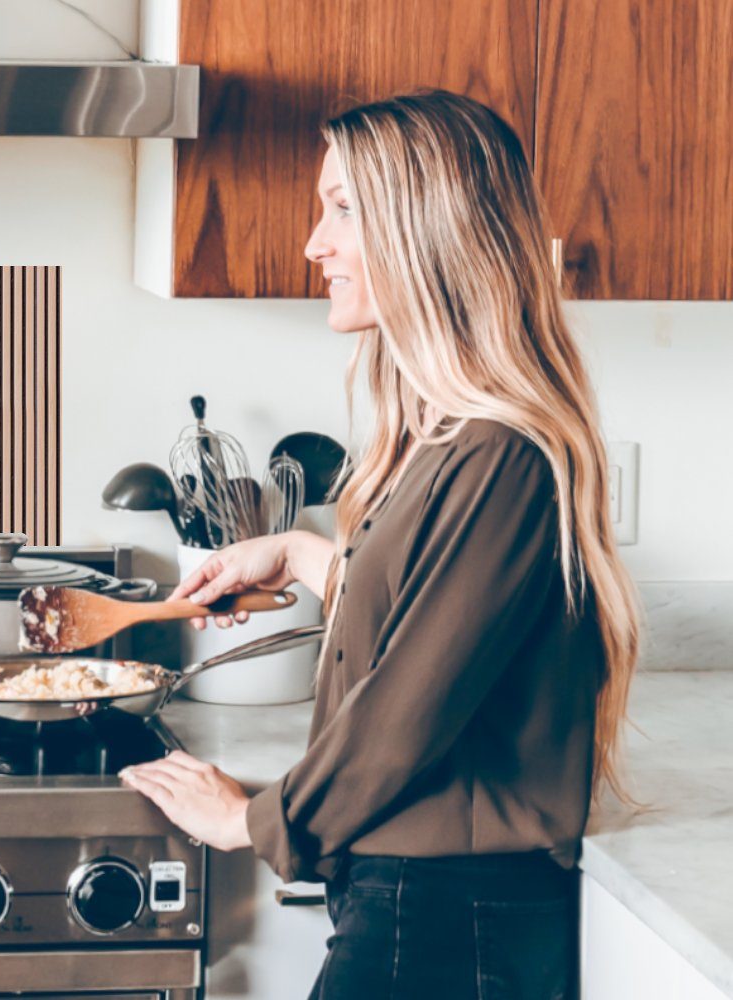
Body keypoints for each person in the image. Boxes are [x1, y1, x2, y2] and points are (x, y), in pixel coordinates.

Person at [120, 90, 640, 999]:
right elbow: (434, 608)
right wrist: (299, 553)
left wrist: (258, 821)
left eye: (343, 209)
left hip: (450, 916)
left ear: (429, 230)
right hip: (420, 901)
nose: (316, 242)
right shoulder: (445, 438)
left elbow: (407, 710)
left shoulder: (503, 452)